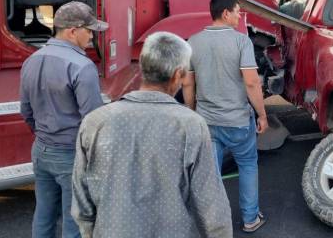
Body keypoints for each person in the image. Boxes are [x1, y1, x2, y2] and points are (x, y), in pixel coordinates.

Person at [71, 32, 232, 238]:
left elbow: (81, 195)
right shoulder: (190, 125)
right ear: (177, 75)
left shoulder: (95, 121)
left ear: (142, 67)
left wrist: (89, 232)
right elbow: (210, 204)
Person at [19, 1, 108, 238]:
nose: (92, 36)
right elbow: (93, 119)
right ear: (73, 31)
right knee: (75, 221)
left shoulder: (31, 60)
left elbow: (26, 110)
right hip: (71, 154)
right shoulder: (82, 66)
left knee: (44, 214)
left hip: (41, 149)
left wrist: (44, 135)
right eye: (89, 31)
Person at [183, 0, 269, 233]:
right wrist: (262, 114)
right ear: (225, 13)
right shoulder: (242, 42)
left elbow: (188, 83)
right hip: (238, 121)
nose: (239, 17)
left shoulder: (193, 42)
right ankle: (250, 219)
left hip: (207, 121)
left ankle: (211, 224)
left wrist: (191, 112)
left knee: (211, 175)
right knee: (248, 165)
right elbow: (251, 82)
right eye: (237, 12)